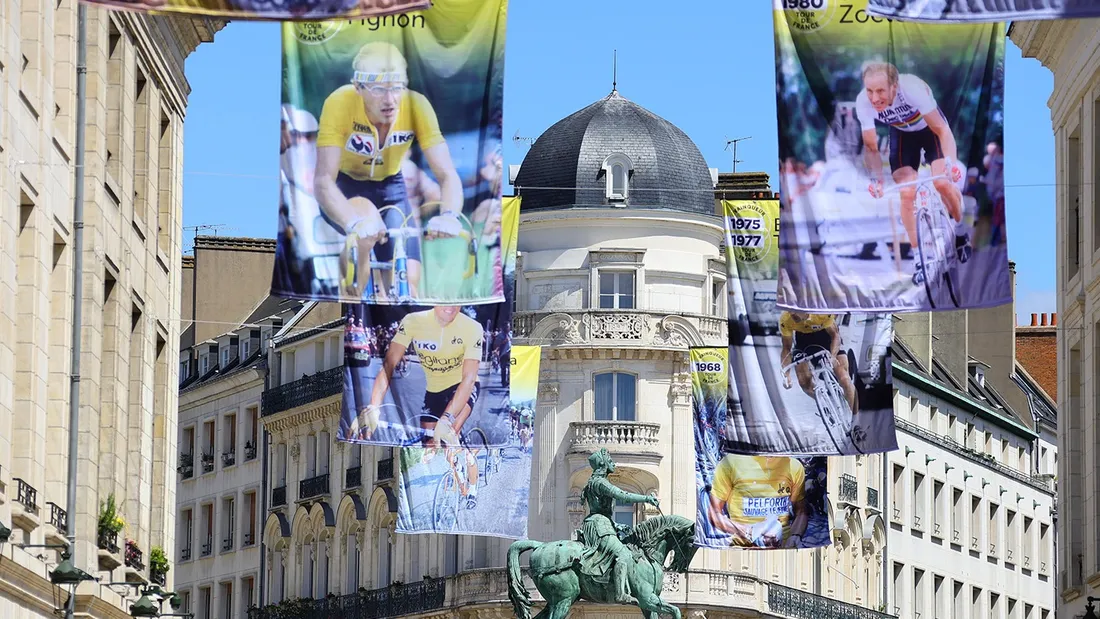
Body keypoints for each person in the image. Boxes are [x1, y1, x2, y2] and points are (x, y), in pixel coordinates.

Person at [313, 41, 465, 300]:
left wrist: (450, 215)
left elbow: (447, 175)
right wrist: (353, 223)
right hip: (347, 185)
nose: (390, 99)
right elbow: (323, 181)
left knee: (409, 284)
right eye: (378, 89)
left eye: (396, 88)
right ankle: (354, 305)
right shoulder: (340, 102)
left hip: (391, 186)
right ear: (358, 87)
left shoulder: (417, 105)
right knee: (365, 230)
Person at [857, 61, 972, 285]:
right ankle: (919, 258)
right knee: (907, 194)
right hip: (902, 135)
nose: (874, 98)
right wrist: (876, 180)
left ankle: (960, 231)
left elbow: (942, 129)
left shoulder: (912, 89)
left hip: (931, 130)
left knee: (942, 183)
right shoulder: (863, 102)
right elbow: (871, 147)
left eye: (880, 91)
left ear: (895, 86)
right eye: (870, 91)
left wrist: (951, 164)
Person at [579, 449, 659, 605]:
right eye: (610, 460)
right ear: (602, 464)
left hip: (600, 523)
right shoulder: (600, 483)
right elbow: (623, 495)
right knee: (623, 554)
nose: (613, 463)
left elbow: (598, 509)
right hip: (599, 526)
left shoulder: (592, 482)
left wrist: (616, 525)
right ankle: (621, 594)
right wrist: (646, 498)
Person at [705, 455, 810, 549]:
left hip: (783, 549)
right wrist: (749, 532)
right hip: (742, 549)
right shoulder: (730, 463)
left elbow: (801, 511)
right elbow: (714, 514)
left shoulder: (794, 466)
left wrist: (795, 536)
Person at [779, 311, 857, 415]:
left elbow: (835, 336)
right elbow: (786, 348)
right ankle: (824, 403)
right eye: (790, 311)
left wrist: (832, 357)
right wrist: (786, 375)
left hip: (827, 338)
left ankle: (855, 418)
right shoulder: (786, 318)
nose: (792, 314)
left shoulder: (821, 313)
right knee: (803, 382)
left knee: (845, 379)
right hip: (803, 342)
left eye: (795, 311)